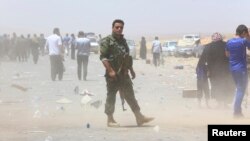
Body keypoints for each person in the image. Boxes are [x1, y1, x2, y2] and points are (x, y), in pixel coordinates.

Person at [100, 19, 154, 127]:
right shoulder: (107, 41)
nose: (119, 29)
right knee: (111, 96)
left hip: (124, 74)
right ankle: (110, 120)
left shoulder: (123, 41)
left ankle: (139, 117)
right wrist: (110, 71)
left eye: (121, 27)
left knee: (130, 95)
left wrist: (131, 69)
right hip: (113, 75)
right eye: (117, 27)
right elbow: (103, 57)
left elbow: (127, 57)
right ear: (113, 28)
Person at [199, 32, 235, 109]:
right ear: (221, 38)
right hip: (226, 71)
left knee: (216, 86)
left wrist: (202, 69)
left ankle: (219, 104)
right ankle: (225, 104)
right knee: (226, 85)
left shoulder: (208, 47)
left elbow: (202, 60)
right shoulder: (227, 45)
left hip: (214, 71)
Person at [226, 24, 250, 118]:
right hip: (241, 69)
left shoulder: (229, 41)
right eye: (246, 33)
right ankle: (236, 112)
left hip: (232, 68)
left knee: (239, 89)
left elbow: (227, 54)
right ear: (243, 33)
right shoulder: (243, 41)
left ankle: (239, 111)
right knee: (241, 90)